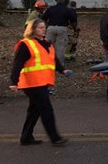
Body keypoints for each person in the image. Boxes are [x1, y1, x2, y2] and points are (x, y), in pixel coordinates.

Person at [9, 18, 72, 146]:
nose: (43, 29)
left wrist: (62, 70)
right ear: (32, 29)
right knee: (46, 109)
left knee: (35, 110)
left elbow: (52, 60)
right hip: (32, 83)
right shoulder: (25, 44)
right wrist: (14, 82)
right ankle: (55, 138)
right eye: (40, 27)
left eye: (44, 27)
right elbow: (17, 65)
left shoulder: (46, 42)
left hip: (41, 82)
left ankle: (26, 137)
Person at [41, 0, 77, 65]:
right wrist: (75, 29)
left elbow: (43, 18)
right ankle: (59, 64)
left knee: (49, 45)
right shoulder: (67, 9)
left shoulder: (51, 8)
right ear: (64, 2)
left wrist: (47, 26)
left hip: (51, 28)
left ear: (56, 1)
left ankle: (48, 62)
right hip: (62, 28)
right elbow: (73, 21)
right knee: (60, 47)